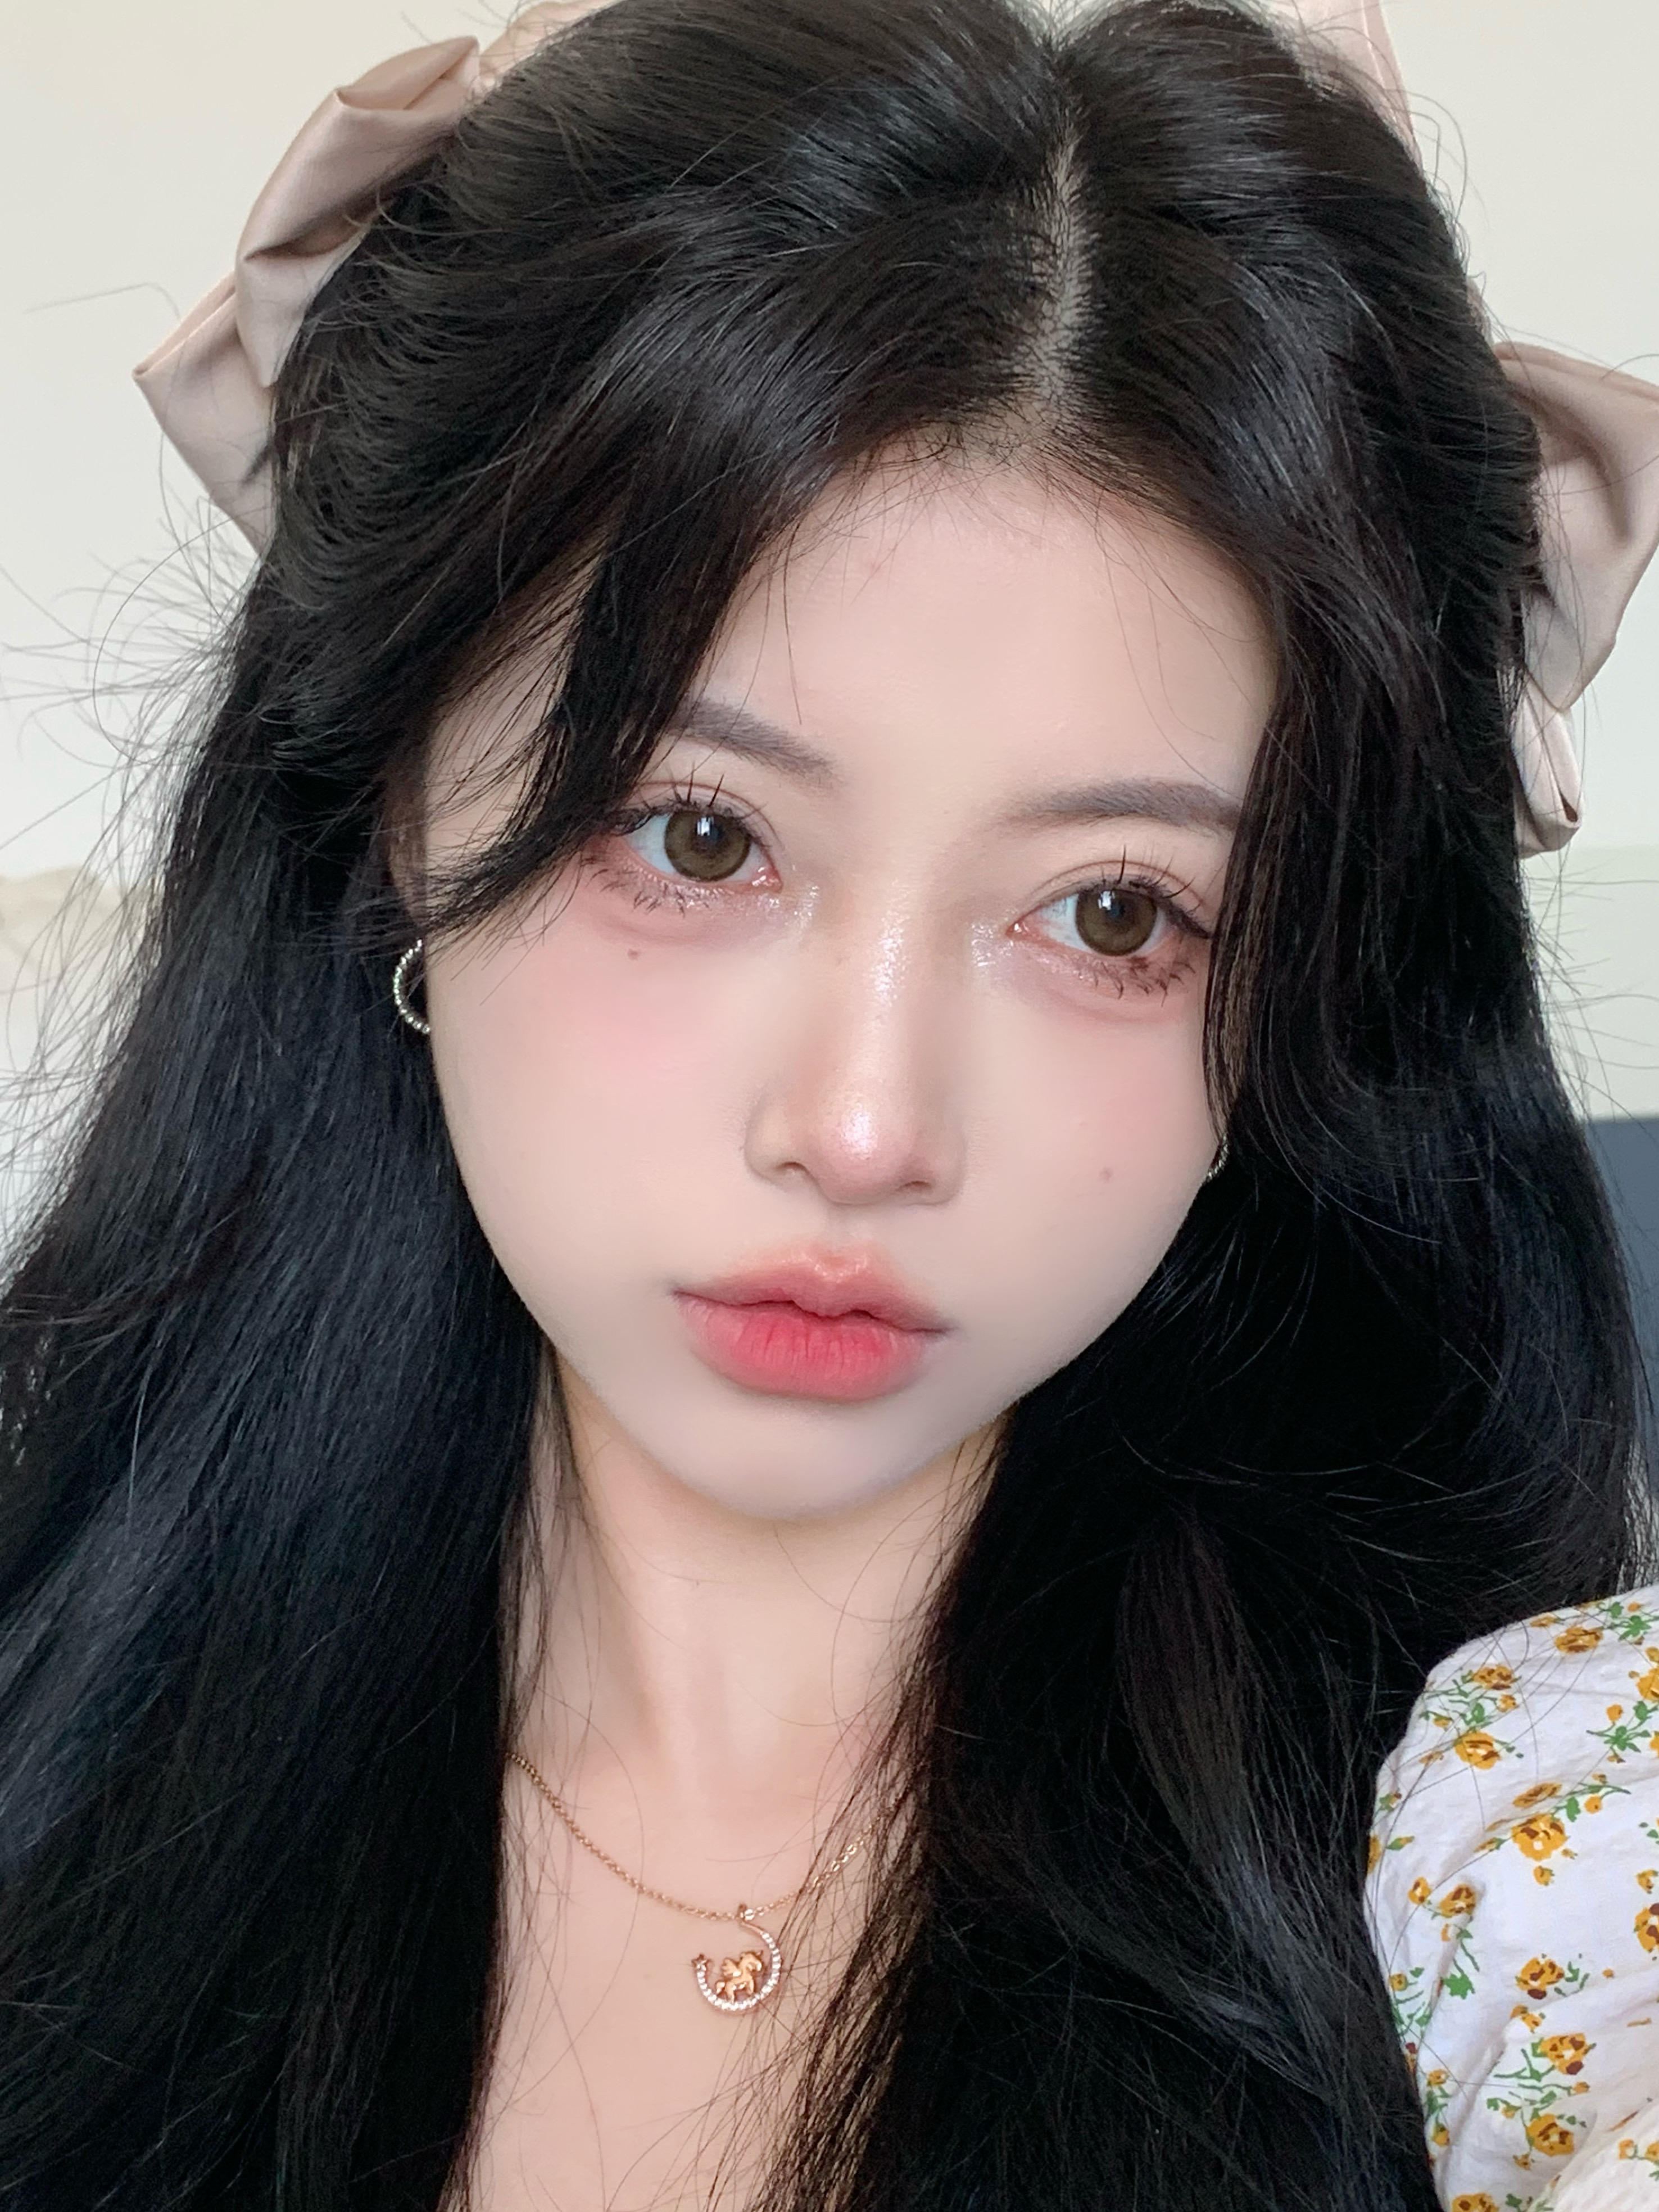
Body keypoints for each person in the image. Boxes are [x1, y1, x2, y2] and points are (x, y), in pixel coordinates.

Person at [4, 1, 1659, 2205]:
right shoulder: (52, 1735)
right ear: (400, 809)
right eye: (699, 839)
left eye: (1114, 915)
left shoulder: (1550, 1888)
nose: (866, 1128)